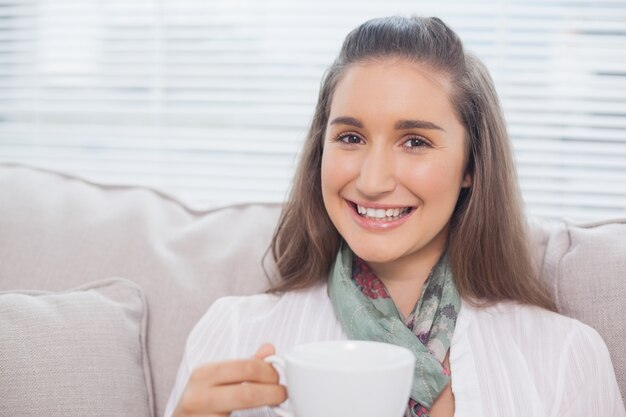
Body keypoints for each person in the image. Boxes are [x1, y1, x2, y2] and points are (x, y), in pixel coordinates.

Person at [164, 16, 625, 417]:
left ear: (471, 166)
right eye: (350, 138)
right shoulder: (232, 334)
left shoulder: (566, 358)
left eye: (415, 142)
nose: (372, 179)